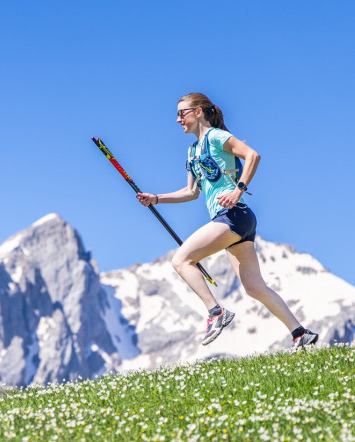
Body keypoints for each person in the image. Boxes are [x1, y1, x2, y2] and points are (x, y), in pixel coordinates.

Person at [136, 92, 318, 351]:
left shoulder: (217, 137)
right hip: (238, 221)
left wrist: (237, 190)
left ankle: (216, 312)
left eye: (182, 113)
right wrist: (155, 198)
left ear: (198, 112)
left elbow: (253, 156)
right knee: (255, 288)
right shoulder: (191, 152)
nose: (178, 120)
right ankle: (301, 334)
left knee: (181, 260)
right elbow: (191, 192)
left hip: (233, 215)